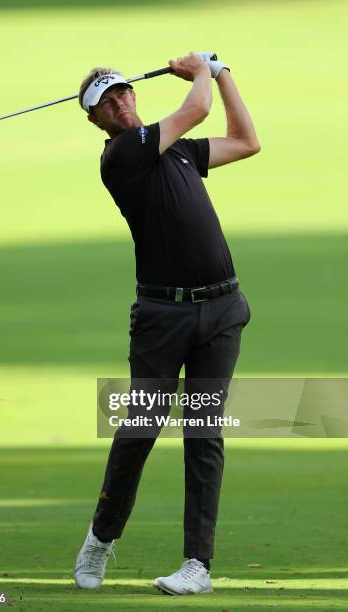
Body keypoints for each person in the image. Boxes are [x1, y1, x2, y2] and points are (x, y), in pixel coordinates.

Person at [74, 52, 260, 596]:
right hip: (163, 317)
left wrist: (223, 73)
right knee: (140, 430)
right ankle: (101, 539)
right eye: (107, 101)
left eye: (124, 92)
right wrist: (201, 69)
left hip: (222, 309)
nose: (120, 102)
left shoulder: (171, 147)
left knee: (205, 433)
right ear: (96, 121)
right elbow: (197, 108)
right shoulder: (121, 155)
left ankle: (196, 566)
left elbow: (246, 141)